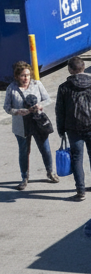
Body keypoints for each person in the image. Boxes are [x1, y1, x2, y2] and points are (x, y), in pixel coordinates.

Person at [54, 56, 91, 202]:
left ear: (70, 70)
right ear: (84, 68)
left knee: (77, 158)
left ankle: (80, 190)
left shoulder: (64, 88)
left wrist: (61, 129)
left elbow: (60, 111)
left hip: (73, 128)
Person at [3, 60, 59, 191]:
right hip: (22, 126)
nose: (26, 78)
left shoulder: (37, 84)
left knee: (45, 149)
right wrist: (17, 111)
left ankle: (50, 172)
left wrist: (40, 105)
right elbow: (6, 107)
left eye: (27, 75)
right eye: (22, 75)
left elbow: (48, 99)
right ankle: (24, 177)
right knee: (24, 152)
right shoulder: (11, 88)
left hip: (38, 123)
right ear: (16, 76)